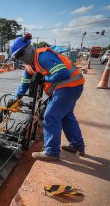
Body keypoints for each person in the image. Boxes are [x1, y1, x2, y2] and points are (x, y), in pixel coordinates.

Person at [10, 32, 85, 161]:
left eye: (21, 54)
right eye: (17, 57)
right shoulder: (29, 66)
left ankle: (52, 152)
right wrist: (17, 97)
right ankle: (77, 145)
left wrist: (45, 78)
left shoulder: (42, 56)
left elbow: (63, 73)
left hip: (69, 86)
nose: (20, 58)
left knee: (50, 116)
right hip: (68, 87)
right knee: (66, 116)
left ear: (29, 47)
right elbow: (25, 83)